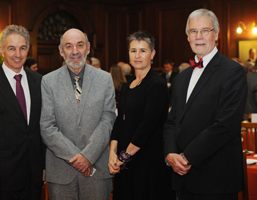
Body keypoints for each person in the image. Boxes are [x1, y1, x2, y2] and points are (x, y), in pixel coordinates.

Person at [163, 9, 247, 200]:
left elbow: (226, 125)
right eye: (193, 31)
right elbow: (172, 121)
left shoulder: (232, 72)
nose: (198, 37)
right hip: (183, 178)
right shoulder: (182, 76)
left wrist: (187, 157)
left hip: (216, 178)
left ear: (216, 34)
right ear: (187, 36)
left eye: (205, 31)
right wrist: (170, 154)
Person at [40, 28, 116, 200]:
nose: (74, 51)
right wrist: (78, 159)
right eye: (68, 46)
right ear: (61, 51)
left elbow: (108, 120)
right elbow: (47, 127)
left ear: (88, 48)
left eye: (79, 45)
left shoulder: (105, 79)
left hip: (97, 170)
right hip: (61, 172)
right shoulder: (48, 81)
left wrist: (88, 156)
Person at [0, 25, 45, 200]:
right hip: (2, 177)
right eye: (11, 48)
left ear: (28, 50)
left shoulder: (40, 81)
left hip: (33, 176)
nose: (17, 54)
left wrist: (43, 165)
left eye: (22, 48)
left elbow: (41, 127)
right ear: (1, 50)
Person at [108, 31, 175, 200]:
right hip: (126, 162)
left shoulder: (157, 85)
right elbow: (119, 121)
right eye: (133, 50)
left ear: (152, 54)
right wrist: (112, 153)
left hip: (148, 163)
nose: (137, 55)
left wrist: (124, 156)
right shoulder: (129, 85)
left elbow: (147, 126)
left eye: (143, 50)